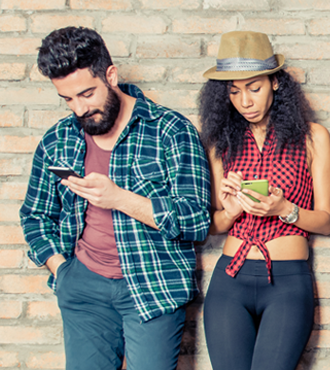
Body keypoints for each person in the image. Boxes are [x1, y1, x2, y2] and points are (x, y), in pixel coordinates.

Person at [19, 27, 210, 370]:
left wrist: (119, 198)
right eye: (67, 99)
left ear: (111, 75)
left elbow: (196, 219)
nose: (79, 108)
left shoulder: (170, 130)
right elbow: (34, 215)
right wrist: (60, 271)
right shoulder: (58, 140)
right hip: (83, 287)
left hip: (154, 287)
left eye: (87, 94)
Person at [197, 31, 330, 370]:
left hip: (287, 282)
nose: (245, 101)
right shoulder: (220, 142)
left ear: (275, 83)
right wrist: (229, 213)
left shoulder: (312, 137)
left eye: (254, 88)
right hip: (230, 279)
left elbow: (327, 221)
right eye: (234, 91)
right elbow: (213, 224)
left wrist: (284, 210)